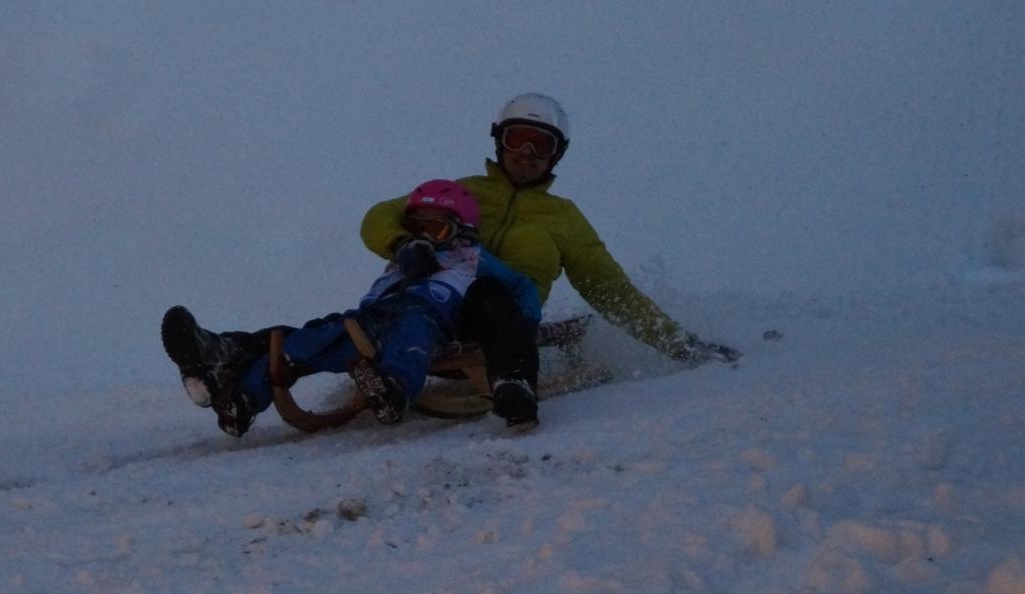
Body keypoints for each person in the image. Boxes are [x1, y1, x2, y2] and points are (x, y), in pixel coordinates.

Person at [359, 94, 741, 418]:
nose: (526, 154)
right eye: (517, 140)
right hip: (431, 307)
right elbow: (380, 216)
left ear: (557, 155)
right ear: (499, 142)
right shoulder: (463, 193)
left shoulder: (563, 218)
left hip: (503, 325)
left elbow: (609, 288)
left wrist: (681, 344)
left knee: (490, 293)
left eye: (540, 145)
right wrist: (402, 244)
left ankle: (513, 382)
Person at [162, 180, 544, 436]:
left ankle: (393, 388)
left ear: (462, 231)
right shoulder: (402, 258)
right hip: (365, 322)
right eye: (418, 228)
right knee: (302, 343)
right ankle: (242, 399)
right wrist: (406, 254)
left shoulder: (472, 257)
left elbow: (521, 287)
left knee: (409, 343)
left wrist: (524, 326)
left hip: (424, 317)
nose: (426, 237)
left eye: (438, 229)